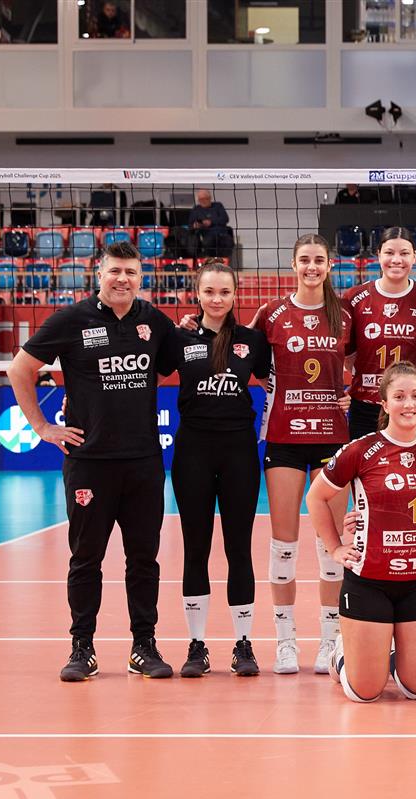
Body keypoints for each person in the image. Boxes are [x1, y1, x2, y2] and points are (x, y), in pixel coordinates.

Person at [7, 241, 179, 681]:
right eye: (115, 271)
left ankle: (143, 647)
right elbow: (19, 369)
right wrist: (42, 427)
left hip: (142, 462)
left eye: (131, 272)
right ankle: (82, 648)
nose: (123, 279)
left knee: (144, 560)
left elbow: (172, 364)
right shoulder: (71, 319)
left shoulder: (154, 321)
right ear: (98, 274)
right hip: (90, 463)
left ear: (141, 278)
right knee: (86, 558)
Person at [307, 362, 416, 702]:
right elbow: (316, 497)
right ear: (384, 403)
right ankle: (343, 655)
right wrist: (335, 547)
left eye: (415, 396)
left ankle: (394, 655)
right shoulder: (361, 450)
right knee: (365, 692)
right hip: (370, 580)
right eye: (399, 397)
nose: (408, 404)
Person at [251, 233, 352, 675]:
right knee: (284, 546)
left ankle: (329, 641)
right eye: (305, 260)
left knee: (332, 547)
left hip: (332, 436)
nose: (312, 267)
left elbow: (361, 364)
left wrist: (349, 392)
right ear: (293, 265)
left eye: (319, 260)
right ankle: (285, 642)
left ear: (329, 266)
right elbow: (248, 359)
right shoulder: (271, 313)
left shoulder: (344, 314)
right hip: (285, 437)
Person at [169, 263, 270, 678]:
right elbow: (142, 374)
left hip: (238, 452)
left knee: (238, 548)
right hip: (193, 451)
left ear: (234, 295)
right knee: (195, 548)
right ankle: (197, 646)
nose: (216, 299)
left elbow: (280, 382)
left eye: (224, 292)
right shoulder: (180, 338)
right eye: (209, 291)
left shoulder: (252, 341)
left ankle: (243, 644)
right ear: (198, 294)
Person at [343, 227, 416, 439]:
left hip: (413, 406)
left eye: (404, 253)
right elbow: (348, 357)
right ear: (378, 255)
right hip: (366, 406)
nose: (396, 260)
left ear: (414, 256)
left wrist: (408, 386)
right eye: (389, 252)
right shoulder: (355, 297)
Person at [189, 188, 233, 258]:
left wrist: (211, 222)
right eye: (201, 199)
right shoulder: (196, 209)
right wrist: (195, 225)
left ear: (210, 198)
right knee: (208, 242)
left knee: (228, 241)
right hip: (206, 235)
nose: (203, 201)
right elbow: (190, 225)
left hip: (221, 234)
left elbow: (225, 219)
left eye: (205, 199)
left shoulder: (218, 206)